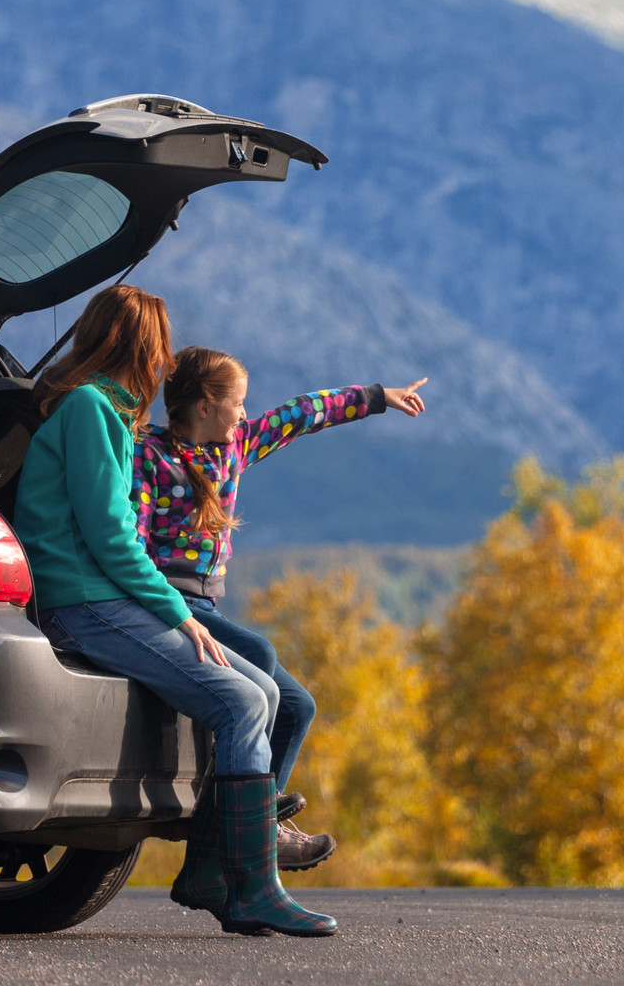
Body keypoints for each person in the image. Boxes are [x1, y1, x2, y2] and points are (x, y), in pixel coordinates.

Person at [10, 285, 336, 938]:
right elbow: (109, 536)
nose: (165, 364)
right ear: (141, 346)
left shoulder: (101, 412)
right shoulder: (90, 411)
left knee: (265, 694)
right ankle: (251, 889)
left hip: (103, 597)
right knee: (244, 702)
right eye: (159, 347)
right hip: (86, 602)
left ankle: (218, 873)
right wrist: (180, 616)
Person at [137, 345, 427, 882]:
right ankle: (253, 833)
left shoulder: (236, 446)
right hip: (169, 604)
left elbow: (303, 413)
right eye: (238, 403)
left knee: (297, 707)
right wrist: (166, 609)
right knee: (266, 659)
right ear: (205, 406)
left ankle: (251, 821)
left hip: (208, 601)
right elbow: (130, 546)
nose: (246, 414)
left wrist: (378, 398)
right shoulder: (148, 457)